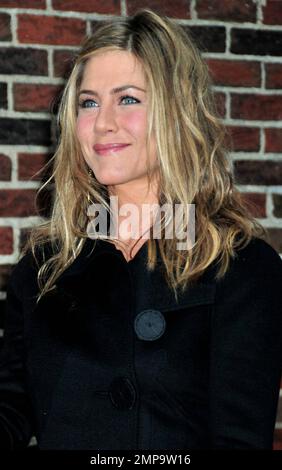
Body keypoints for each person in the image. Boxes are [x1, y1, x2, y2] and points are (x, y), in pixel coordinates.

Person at [1, 8, 282, 450]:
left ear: (176, 113)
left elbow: (240, 438)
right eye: (88, 102)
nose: (103, 122)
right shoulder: (43, 267)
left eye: (128, 99)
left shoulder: (242, 266)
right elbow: (11, 410)